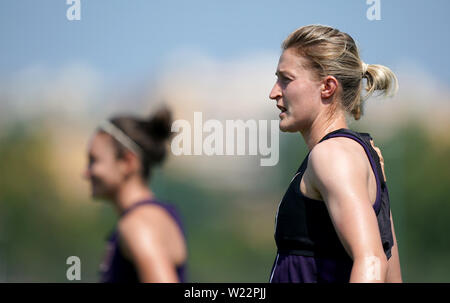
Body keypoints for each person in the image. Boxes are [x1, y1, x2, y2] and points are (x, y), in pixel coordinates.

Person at [268, 25, 402, 283]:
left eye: (286, 79)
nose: (273, 92)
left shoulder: (331, 155)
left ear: (327, 87)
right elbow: (390, 273)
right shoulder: (357, 155)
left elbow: (371, 261)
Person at [84, 106, 187, 282]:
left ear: (128, 162)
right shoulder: (152, 217)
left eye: (94, 161)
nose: (86, 173)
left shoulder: (137, 226)